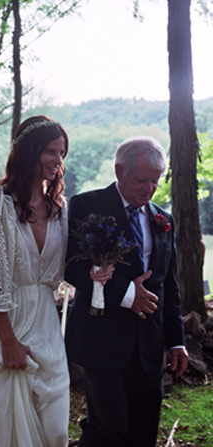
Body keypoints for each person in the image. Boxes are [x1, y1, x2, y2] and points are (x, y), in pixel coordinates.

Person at [0, 115, 112, 447]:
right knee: (7, 422)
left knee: (54, 423)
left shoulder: (60, 207)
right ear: (29, 152)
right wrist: (8, 341)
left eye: (62, 153)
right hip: (7, 321)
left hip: (46, 321)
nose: (58, 161)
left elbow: (66, 265)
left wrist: (93, 273)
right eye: (51, 152)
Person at [64, 136, 189, 447]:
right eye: (141, 179)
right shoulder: (85, 206)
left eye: (156, 182)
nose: (149, 189)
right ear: (119, 170)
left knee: (143, 431)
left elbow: (168, 284)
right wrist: (127, 295)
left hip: (149, 343)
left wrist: (176, 341)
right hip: (101, 338)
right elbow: (72, 268)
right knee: (108, 429)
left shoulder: (164, 220)